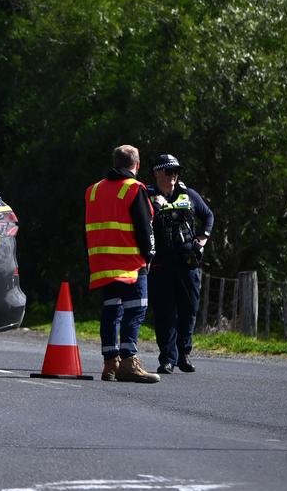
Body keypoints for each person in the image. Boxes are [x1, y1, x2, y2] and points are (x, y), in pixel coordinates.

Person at [84, 145, 159, 383]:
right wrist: (150, 255)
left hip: (103, 263)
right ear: (136, 165)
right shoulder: (134, 189)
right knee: (135, 310)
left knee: (111, 311)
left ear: (114, 163)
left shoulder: (93, 190)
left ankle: (110, 363)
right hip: (130, 263)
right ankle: (129, 361)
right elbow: (145, 227)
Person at [147, 154, 214, 374]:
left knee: (189, 310)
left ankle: (184, 353)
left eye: (176, 171)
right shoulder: (147, 196)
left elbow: (208, 216)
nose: (173, 176)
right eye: (168, 171)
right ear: (157, 173)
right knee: (164, 313)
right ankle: (167, 358)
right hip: (160, 265)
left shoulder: (189, 194)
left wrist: (202, 238)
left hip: (187, 263)